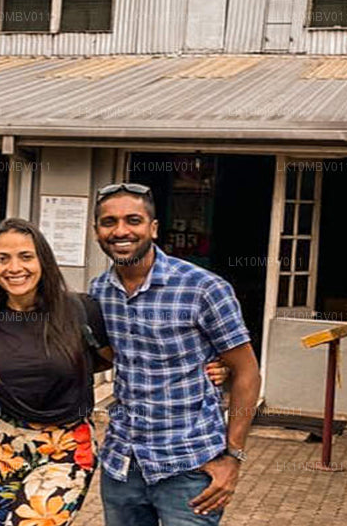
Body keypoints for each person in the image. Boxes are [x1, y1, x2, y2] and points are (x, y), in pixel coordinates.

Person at [89, 183, 262, 526]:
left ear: (153, 229)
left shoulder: (203, 288)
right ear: (97, 232)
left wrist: (234, 456)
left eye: (133, 220)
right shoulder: (98, 293)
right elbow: (113, 357)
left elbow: (247, 373)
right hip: (122, 465)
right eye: (109, 222)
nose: (120, 230)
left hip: (190, 467)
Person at [0, 218, 112, 526]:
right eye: (2, 259)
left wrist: (209, 367)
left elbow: (116, 359)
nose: (14, 267)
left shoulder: (80, 310)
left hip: (65, 445)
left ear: (43, 260)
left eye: (26, 256)